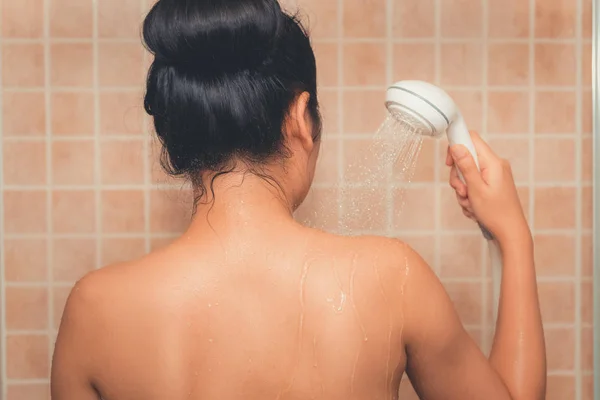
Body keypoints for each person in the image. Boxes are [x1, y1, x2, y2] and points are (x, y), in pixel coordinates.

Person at [50, 1, 546, 399]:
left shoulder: (95, 310)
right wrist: (514, 236)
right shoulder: (391, 278)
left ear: (176, 133)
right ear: (299, 116)